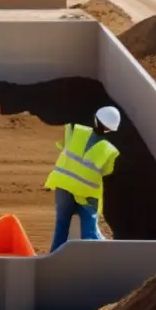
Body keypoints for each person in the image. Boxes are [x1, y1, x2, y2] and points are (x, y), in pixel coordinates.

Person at [45, 106, 121, 252]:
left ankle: (54, 258)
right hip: (87, 195)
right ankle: (96, 260)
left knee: (61, 226)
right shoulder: (110, 151)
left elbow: (61, 145)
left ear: (95, 119)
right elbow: (107, 171)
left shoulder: (74, 131)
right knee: (89, 232)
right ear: (110, 130)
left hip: (63, 186)